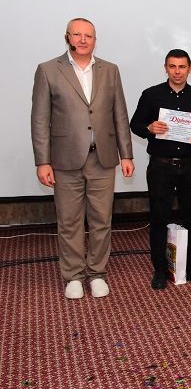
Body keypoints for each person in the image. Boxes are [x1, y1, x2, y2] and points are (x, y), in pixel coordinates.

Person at [31, 17, 134, 299]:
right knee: (69, 221)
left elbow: (120, 114)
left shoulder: (110, 70)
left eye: (88, 35)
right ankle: (73, 276)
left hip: (103, 158)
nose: (83, 39)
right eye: (77, 34)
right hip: (64, 160)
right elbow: (39, 120)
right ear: (67, 38)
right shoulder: (48, 70)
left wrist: (126, 154)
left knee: (101, 220)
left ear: (95, 40)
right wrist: (42, 161)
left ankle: (97, 272)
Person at [130, 49, 191, 290]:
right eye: (172, 66)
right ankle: (160, 269)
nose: (177, 72)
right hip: (161, 166)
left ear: (189, 69)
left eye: (182, 67)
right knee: (159, 218)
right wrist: (149, 128)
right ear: (165, 68)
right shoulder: (151, 95)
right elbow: (135, 124)